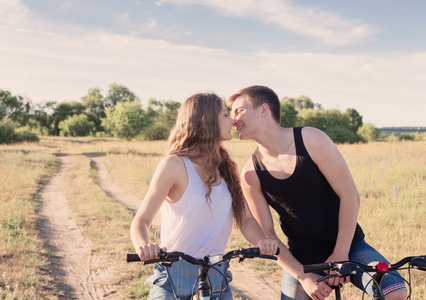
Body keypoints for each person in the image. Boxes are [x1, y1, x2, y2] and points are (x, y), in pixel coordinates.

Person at [227, 85, 407, 300]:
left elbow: (349, 195)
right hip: (302, 259)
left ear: (264, 110)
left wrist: (341, 253)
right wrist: (302, 275)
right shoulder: (250, 173)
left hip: (351, 247)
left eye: (239, 111)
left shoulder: (312, 139)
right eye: (230, 113)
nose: (233, 119)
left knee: (395, 291)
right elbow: (269, 235)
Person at [130, 92, 278, 300]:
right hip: (173, 279)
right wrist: (144, 246)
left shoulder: (226, 167)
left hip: (216, 276)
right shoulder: (174, 165)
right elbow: (141, 221)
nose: (233, 120)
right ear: (206, 121)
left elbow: (245, 219)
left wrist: (262, 240)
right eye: (225, 115)